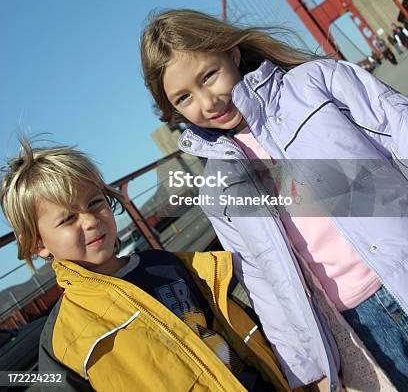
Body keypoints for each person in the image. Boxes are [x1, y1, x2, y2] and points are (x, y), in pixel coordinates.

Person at [140, 8, 408, 391]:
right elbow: (263, 280)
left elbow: (399, 127)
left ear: (232, 55)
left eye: (209, 76)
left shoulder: (316, 84)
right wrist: (302, 368)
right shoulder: (217, 186)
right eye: (184, 98)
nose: (208, 101)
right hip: (360, 317)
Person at [0, 140, 291, 392]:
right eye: (67, 219)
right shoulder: (64, 339)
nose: (89, 220)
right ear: (39, 244)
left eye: (94, 203)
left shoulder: (167, 265)